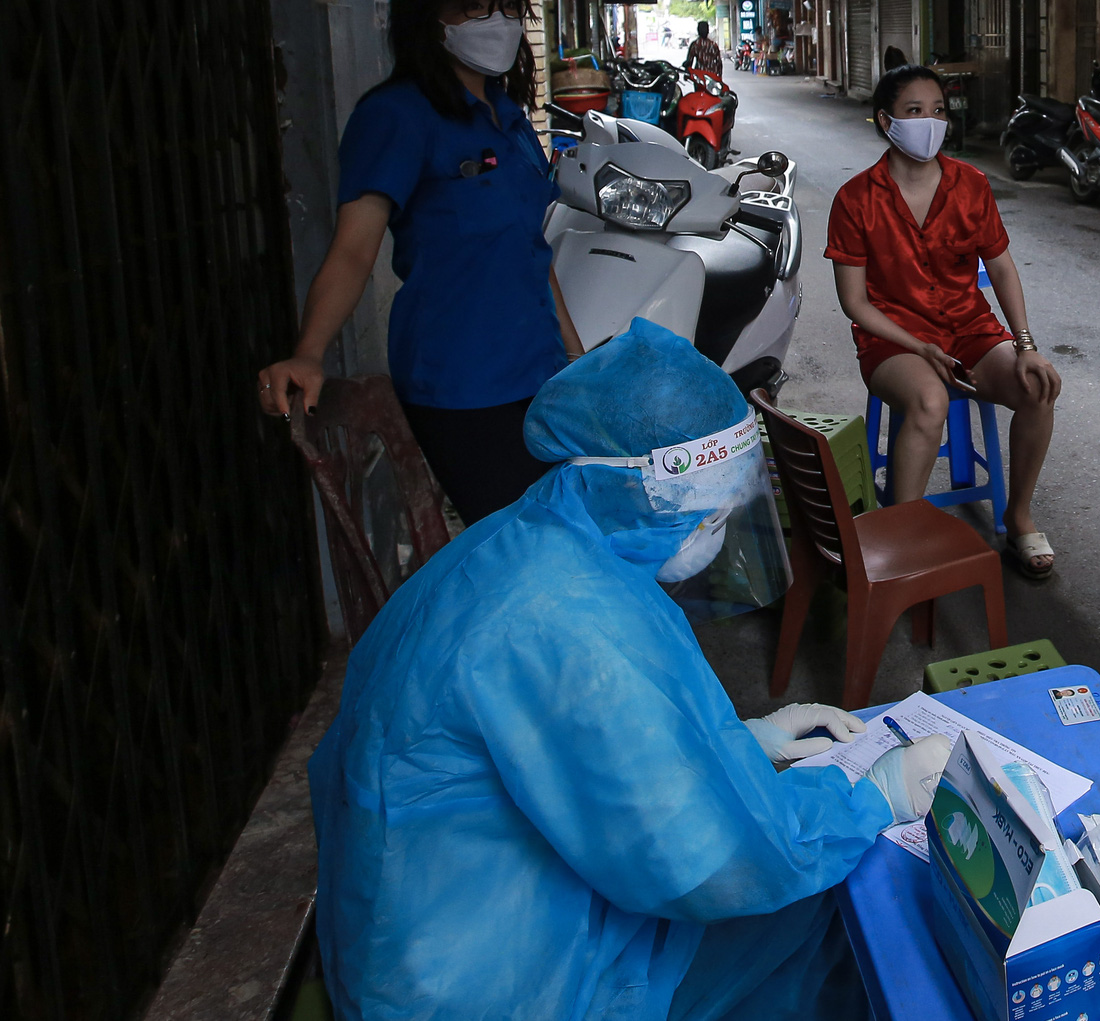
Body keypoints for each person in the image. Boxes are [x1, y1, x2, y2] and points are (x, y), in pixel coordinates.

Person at [310, 319, 954, 1020]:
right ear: (646, 488)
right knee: (825, 904)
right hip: (480, 983)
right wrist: (871, 798)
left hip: (413, 935)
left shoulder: (531, 538)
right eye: (711, 512)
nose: (716, 530)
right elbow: (711, 861)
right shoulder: (567, 618)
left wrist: (739, 742)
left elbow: (592, 752)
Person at [256, 0, 581, 523]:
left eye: (509, 5)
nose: (499, 20)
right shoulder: (396, 117)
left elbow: (530, 252)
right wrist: (309, 352)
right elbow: (354, 252)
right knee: (522, 543)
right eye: (477, 6)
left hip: (540, 369)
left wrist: (576, 361)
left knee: (563, 531)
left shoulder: (508, 118)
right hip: (463, 382)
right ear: (430, 16)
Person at [826, 65, 1063, 577]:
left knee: (1038, 386)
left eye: (938, 110)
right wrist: (921, 347)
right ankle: (900, 536)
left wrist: (1025, 344)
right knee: (930, 402)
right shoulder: (855, 199)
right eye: (914, 111)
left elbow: (1000, 265)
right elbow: (855, 302)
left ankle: (1018, 517)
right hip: (891, 339)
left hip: (967, 329)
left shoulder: (970, 185)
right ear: (886, 121)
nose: (930, 121)